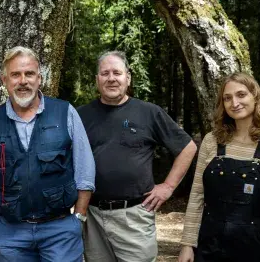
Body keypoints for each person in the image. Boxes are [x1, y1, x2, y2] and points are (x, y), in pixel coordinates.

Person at [0, 46, 95, 262]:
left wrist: (79, 217)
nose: (23, 81)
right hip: (10, 235)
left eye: (29, 74)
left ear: (39, 78)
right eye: (15, 75)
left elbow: (85, 168)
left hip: (60, 231)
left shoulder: (65, 112)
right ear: (4, 80)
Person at [77, 51, 197, 262]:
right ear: (97, 79)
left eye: (117, 72)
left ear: (128, 78)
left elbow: (187, 147)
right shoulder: (80, 116)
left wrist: (168, 187)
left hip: (134, 217)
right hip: (92, 216)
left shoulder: (148, 113)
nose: (111, 78)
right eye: (105, 73)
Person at [178, 73, 260, 262]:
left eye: (241, 95)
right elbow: (197, 196)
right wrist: (187, 244)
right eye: (227, 98)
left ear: (255, 97)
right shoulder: (211, 141)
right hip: (208, 247)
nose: (234, 102)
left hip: (254, 250)